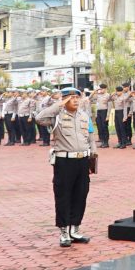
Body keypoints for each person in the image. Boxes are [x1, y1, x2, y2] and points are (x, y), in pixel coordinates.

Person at [36, 86, 94, 248]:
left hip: (82, 160)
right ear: (64, 100)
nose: (75, 100)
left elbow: (90, 136)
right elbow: (39, 118)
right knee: (63, 196)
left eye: (77, 98)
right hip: (64, 162)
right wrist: (60, 104)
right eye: (71, 98)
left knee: (81, 195)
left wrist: (93, 154)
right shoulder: (56, 116)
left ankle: (75, 229)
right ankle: (63, 231)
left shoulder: (84, 115)